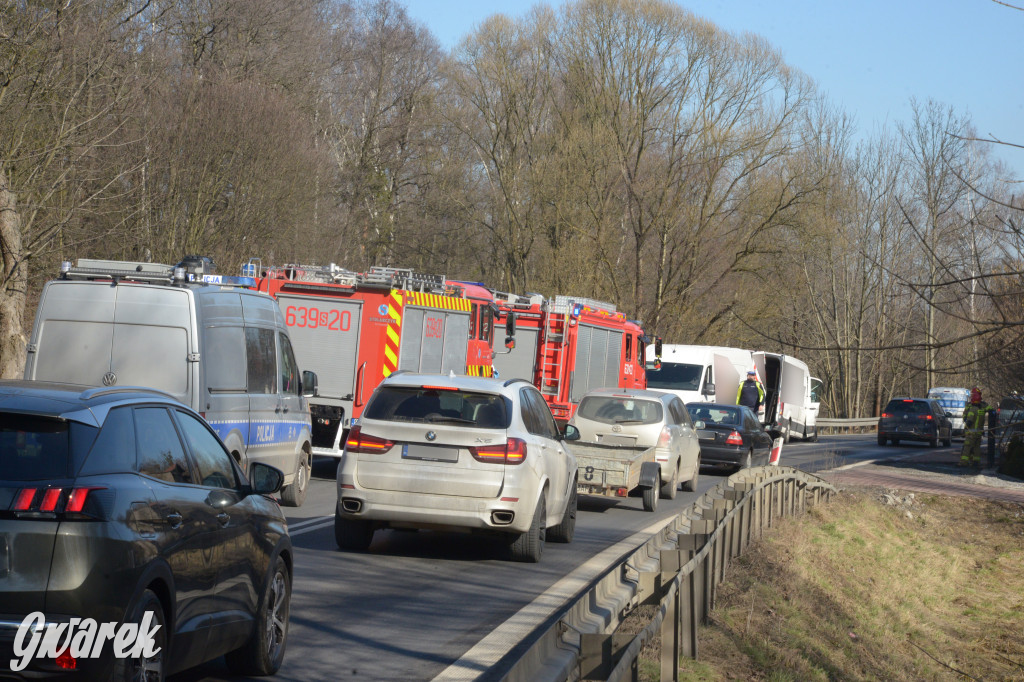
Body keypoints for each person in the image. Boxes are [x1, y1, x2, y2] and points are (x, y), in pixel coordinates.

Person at [960, 387, 992, 468]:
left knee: (967, 447)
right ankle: (976, 462)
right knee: (977, 448)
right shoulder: (982, 408)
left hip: (971, 433)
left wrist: (965, 429)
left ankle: (964, 462)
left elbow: (969, 421)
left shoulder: (972, 409)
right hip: (979, 433)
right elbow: (990, 409)